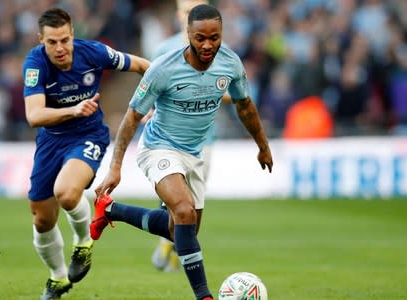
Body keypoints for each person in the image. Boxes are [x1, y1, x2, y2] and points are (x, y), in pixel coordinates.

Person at [92, 4, 273, 300]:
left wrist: (263, 146)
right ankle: (204, 296)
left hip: (195, 153)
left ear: (221, 35)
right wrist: (115, 167)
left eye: (214, 38)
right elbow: (131, 118)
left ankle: (111, 211)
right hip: (158, 147)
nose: (207, 44)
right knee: (185, 211)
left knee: (181, 231)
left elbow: (245, 106)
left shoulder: (229, 63)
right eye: (200, 37)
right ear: (187, 33)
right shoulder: (163, 68)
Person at [22, 8, 150, 300]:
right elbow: (34, 115)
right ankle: (57, 279)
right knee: (42, 219)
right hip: (51, 141)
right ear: (41, 40)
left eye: (65, 40)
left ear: (73, 35)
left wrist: (161, 94)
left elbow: (143, 65)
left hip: (88, 135)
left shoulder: (93, 52)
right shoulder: (35, 63)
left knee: (66, 193)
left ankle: (83, 243)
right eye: (52, 42)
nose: (60, 48)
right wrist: (73, 109)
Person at [148, 0, 221, 273]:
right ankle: (172, 245)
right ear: (180, 15)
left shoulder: (218, 51)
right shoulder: (164, 50)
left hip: (204, 139)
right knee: (176, 198)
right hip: (167, 138)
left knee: (193, 201)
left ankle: (173, 246)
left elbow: (231, 90)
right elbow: (151, 88)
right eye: (188, 11)